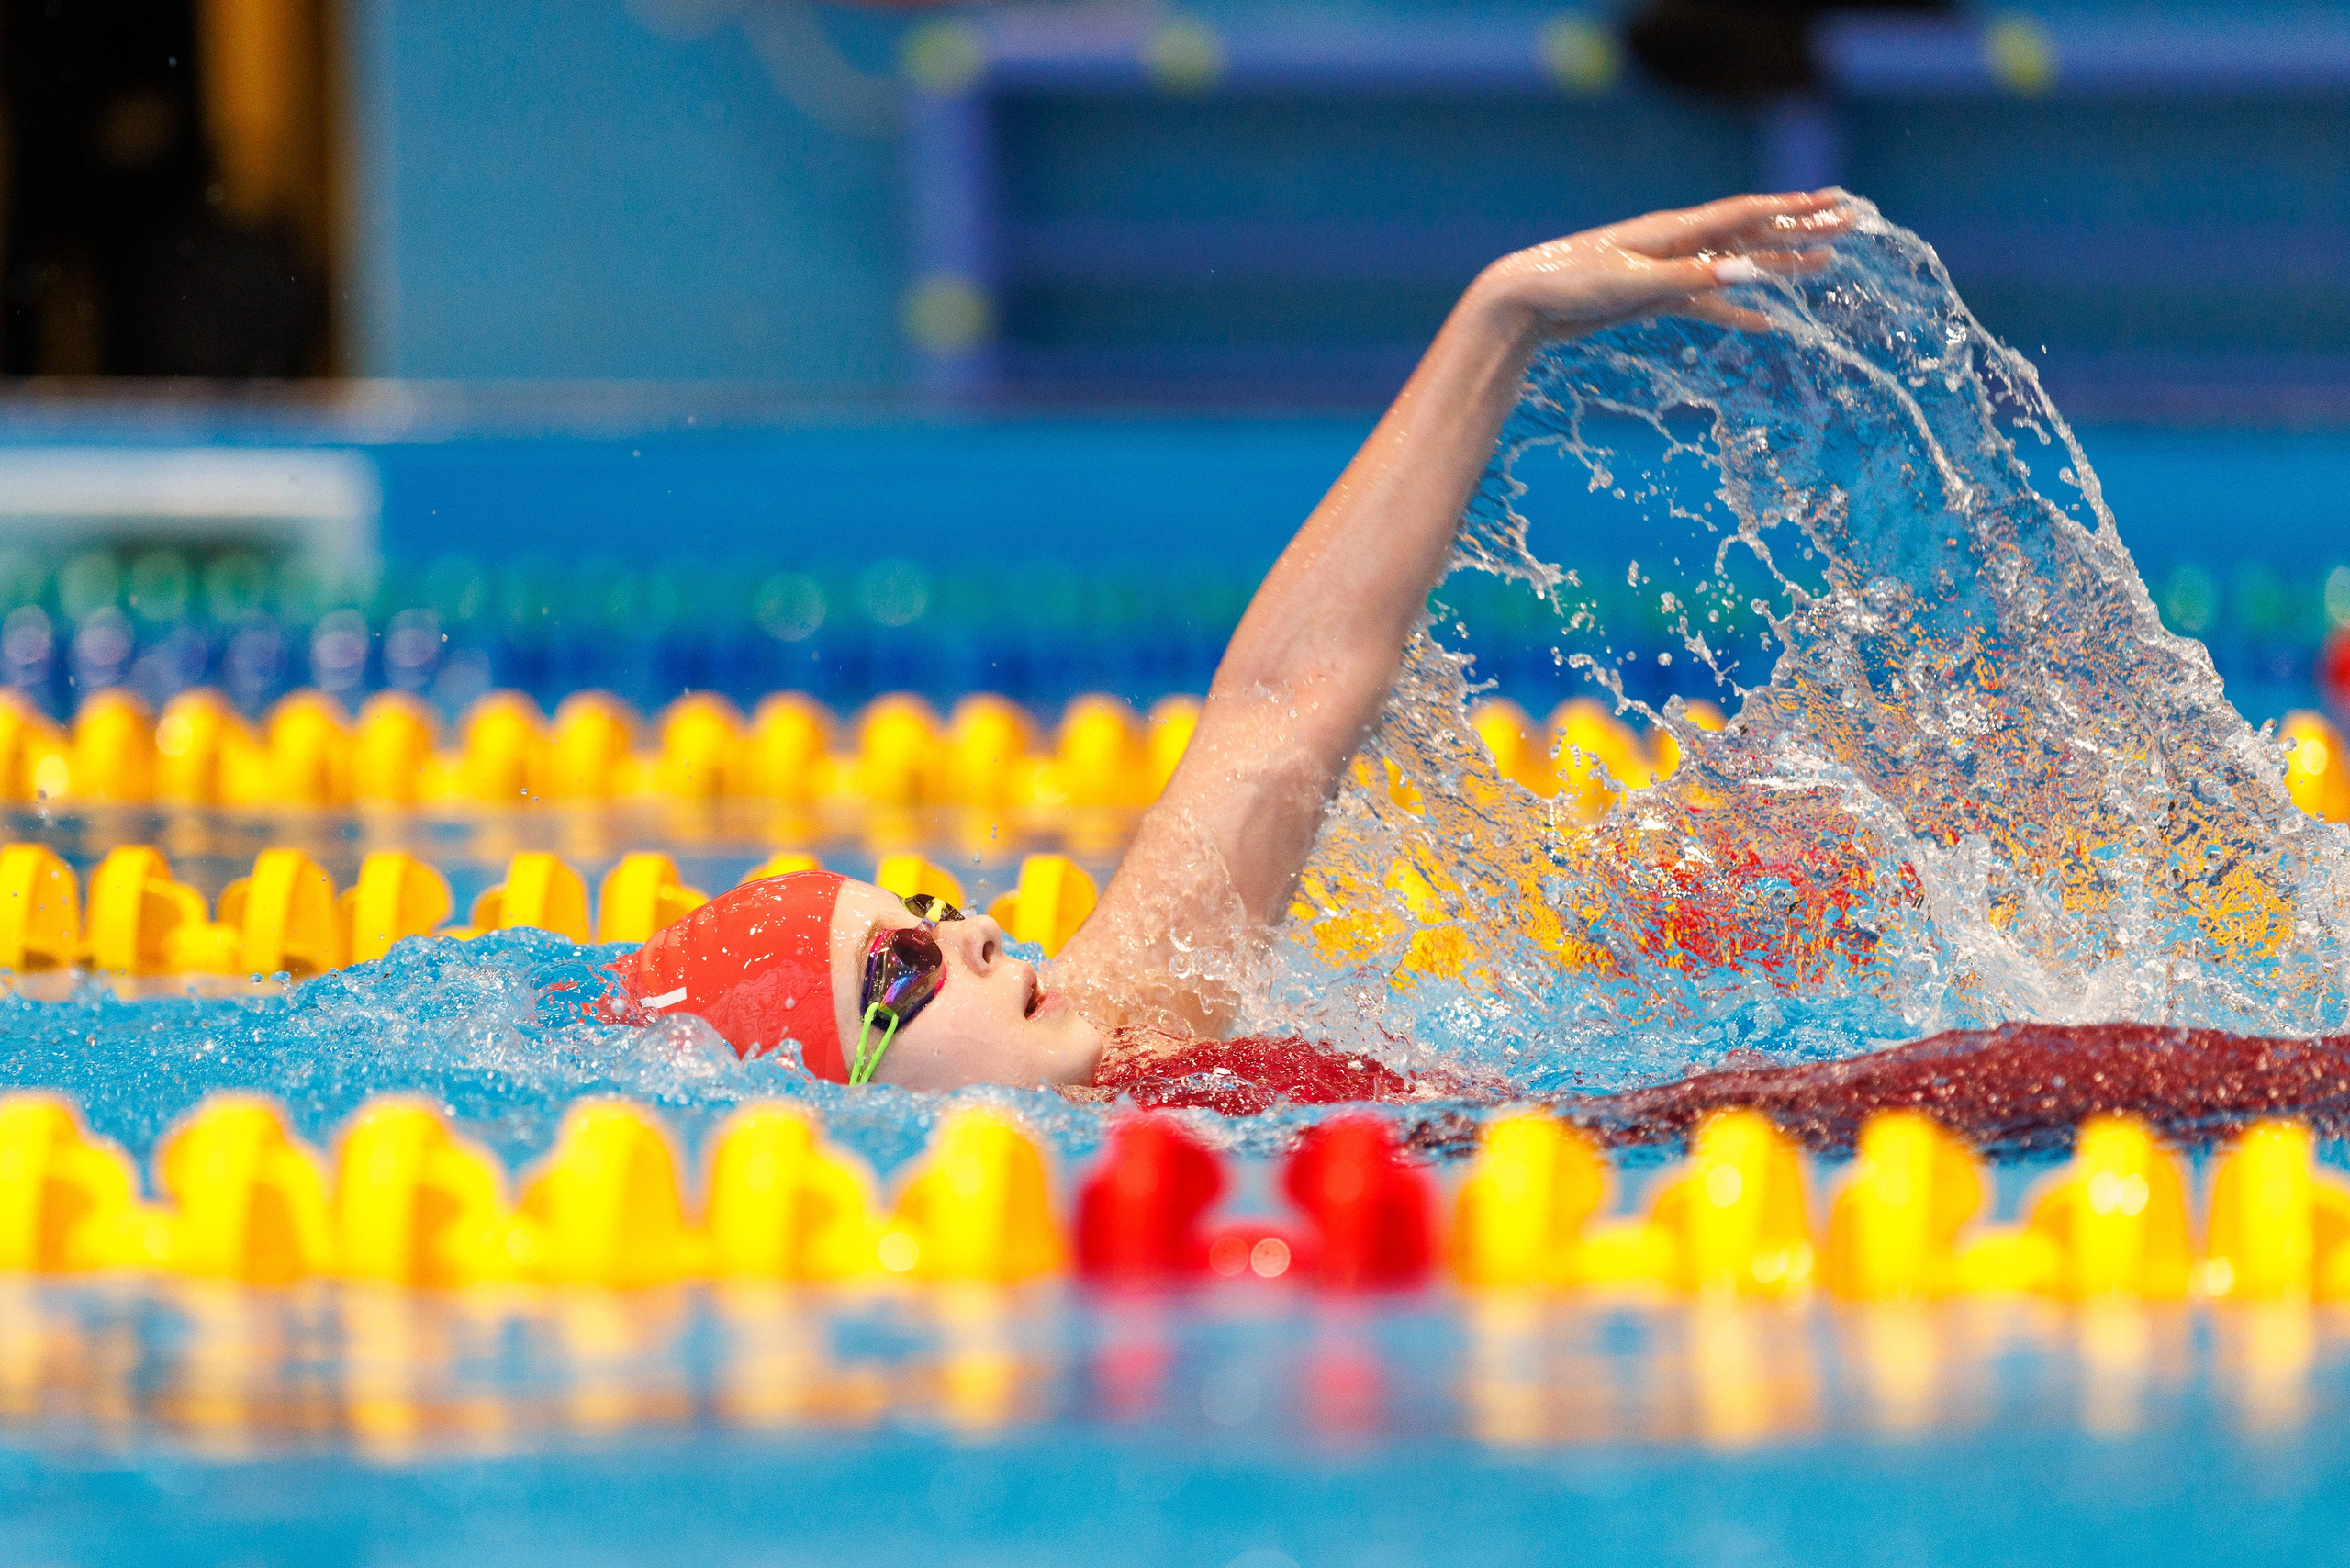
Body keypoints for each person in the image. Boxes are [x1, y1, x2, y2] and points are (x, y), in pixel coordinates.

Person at [618, 191, 1850, 1104]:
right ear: (837, 1102)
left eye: (930, 912)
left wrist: (1501, 318)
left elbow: (1281, 706)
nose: (978, 931)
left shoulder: (1126, 1030)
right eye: (902, 967)